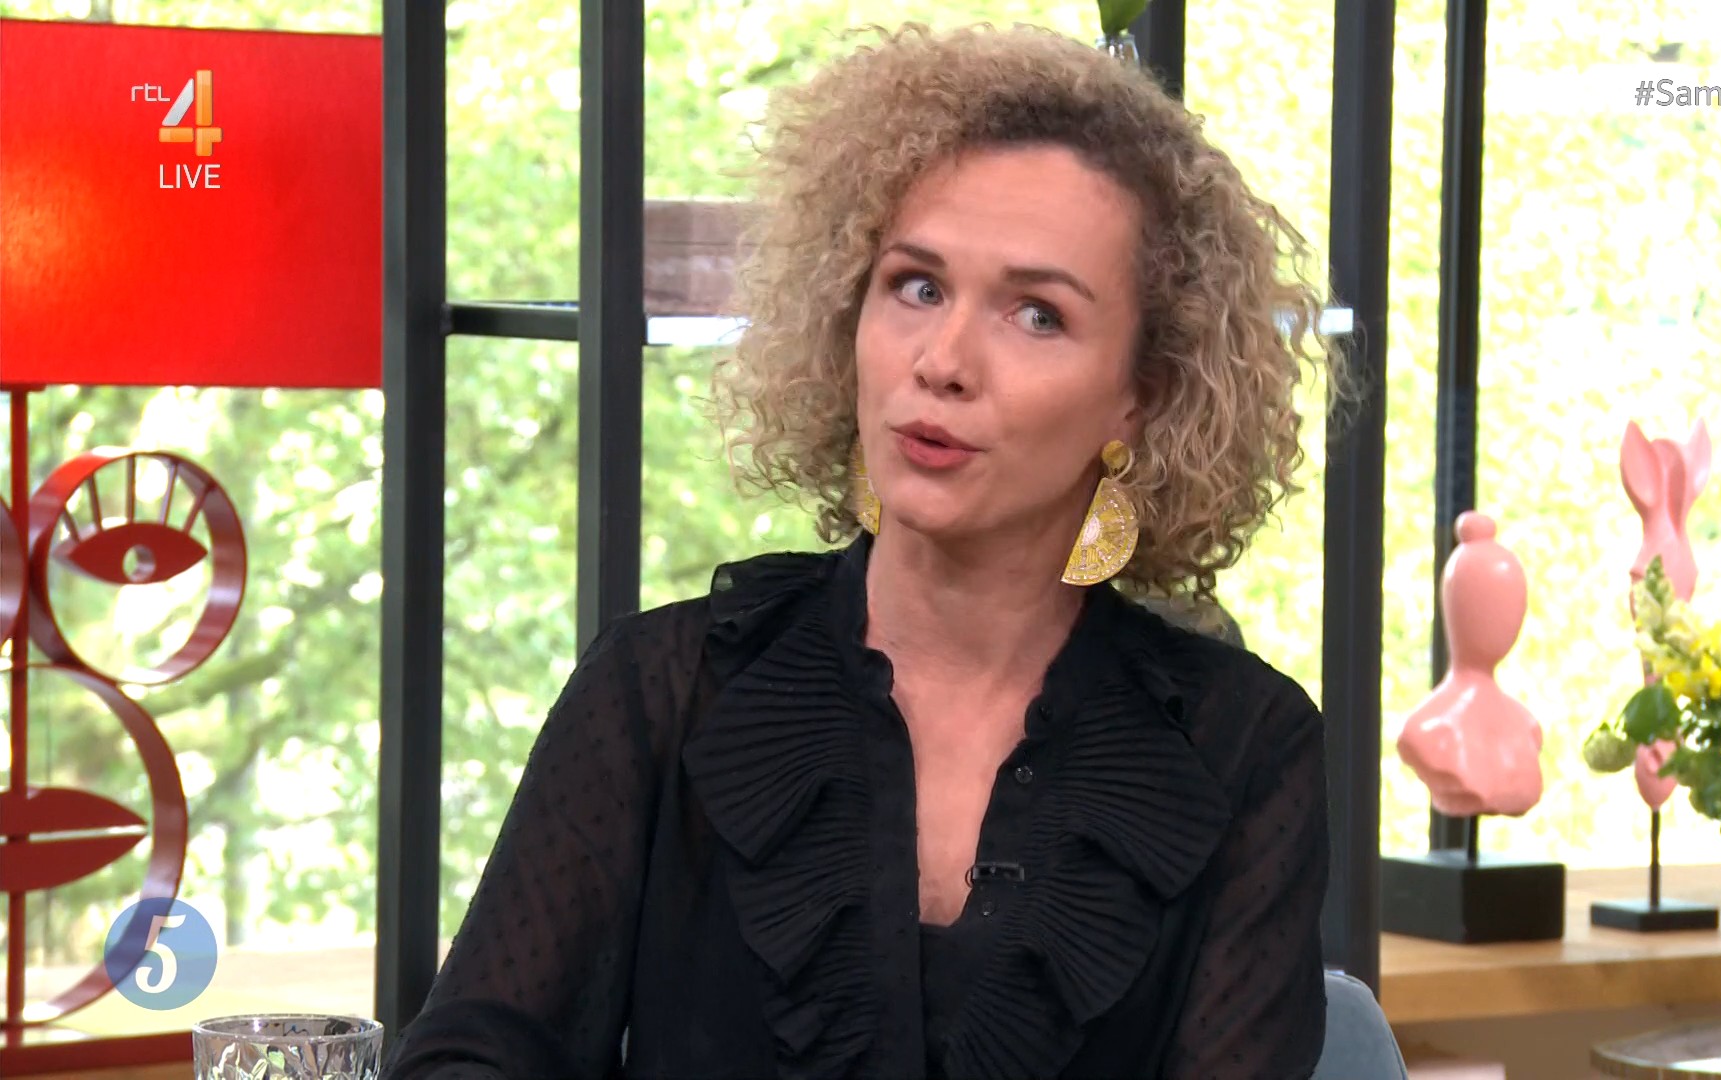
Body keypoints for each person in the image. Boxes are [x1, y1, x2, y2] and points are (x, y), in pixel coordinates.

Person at [383, 21, 1340, 1080]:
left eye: (1035, 315)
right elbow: (469, 1057)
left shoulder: (1245, 750)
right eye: (917, 287)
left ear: (1141, 398)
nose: (943, 361)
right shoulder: (660, 693)